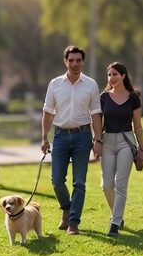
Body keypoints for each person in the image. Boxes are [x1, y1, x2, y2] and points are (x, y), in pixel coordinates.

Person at [41, 46, 102, 235]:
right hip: (59, 136)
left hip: (82, 136)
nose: (75, 64)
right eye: (71, 60)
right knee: (56, 180)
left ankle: (73, 223)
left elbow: (96, 114)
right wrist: (44, 137)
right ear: (65, 61)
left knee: (79, 182)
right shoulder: (55, 84)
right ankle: (67, 209)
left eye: (78, 60)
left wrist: (98, 140)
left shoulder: (91, 84)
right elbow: (48, 112)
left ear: (82, 62)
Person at [99, 62, 143, 237]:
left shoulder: (133, 97)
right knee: (106, 185)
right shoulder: (103, 97)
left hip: (126, 141)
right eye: (109, 75)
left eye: (115, 74)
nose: (112, 78)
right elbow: (98, 122)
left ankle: (115, 223)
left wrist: (141, 148)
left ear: (123, 76)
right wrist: (96, 141)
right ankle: (118, 215)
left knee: (120, 184)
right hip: (108, 142)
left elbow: (138, 126)